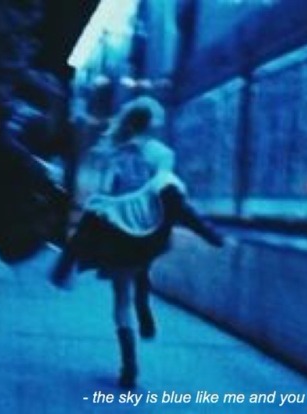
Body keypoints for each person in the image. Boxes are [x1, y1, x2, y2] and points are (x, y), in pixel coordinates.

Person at [52, 96, 223, 388]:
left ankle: (129, 365)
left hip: (119, 233)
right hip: (150, 233)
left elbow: (104, 194)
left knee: (121, 297)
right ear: (152, 124)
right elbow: (168, 194)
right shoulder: (162, 154)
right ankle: (144, 299)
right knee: (144, 259)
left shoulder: (112, 153)